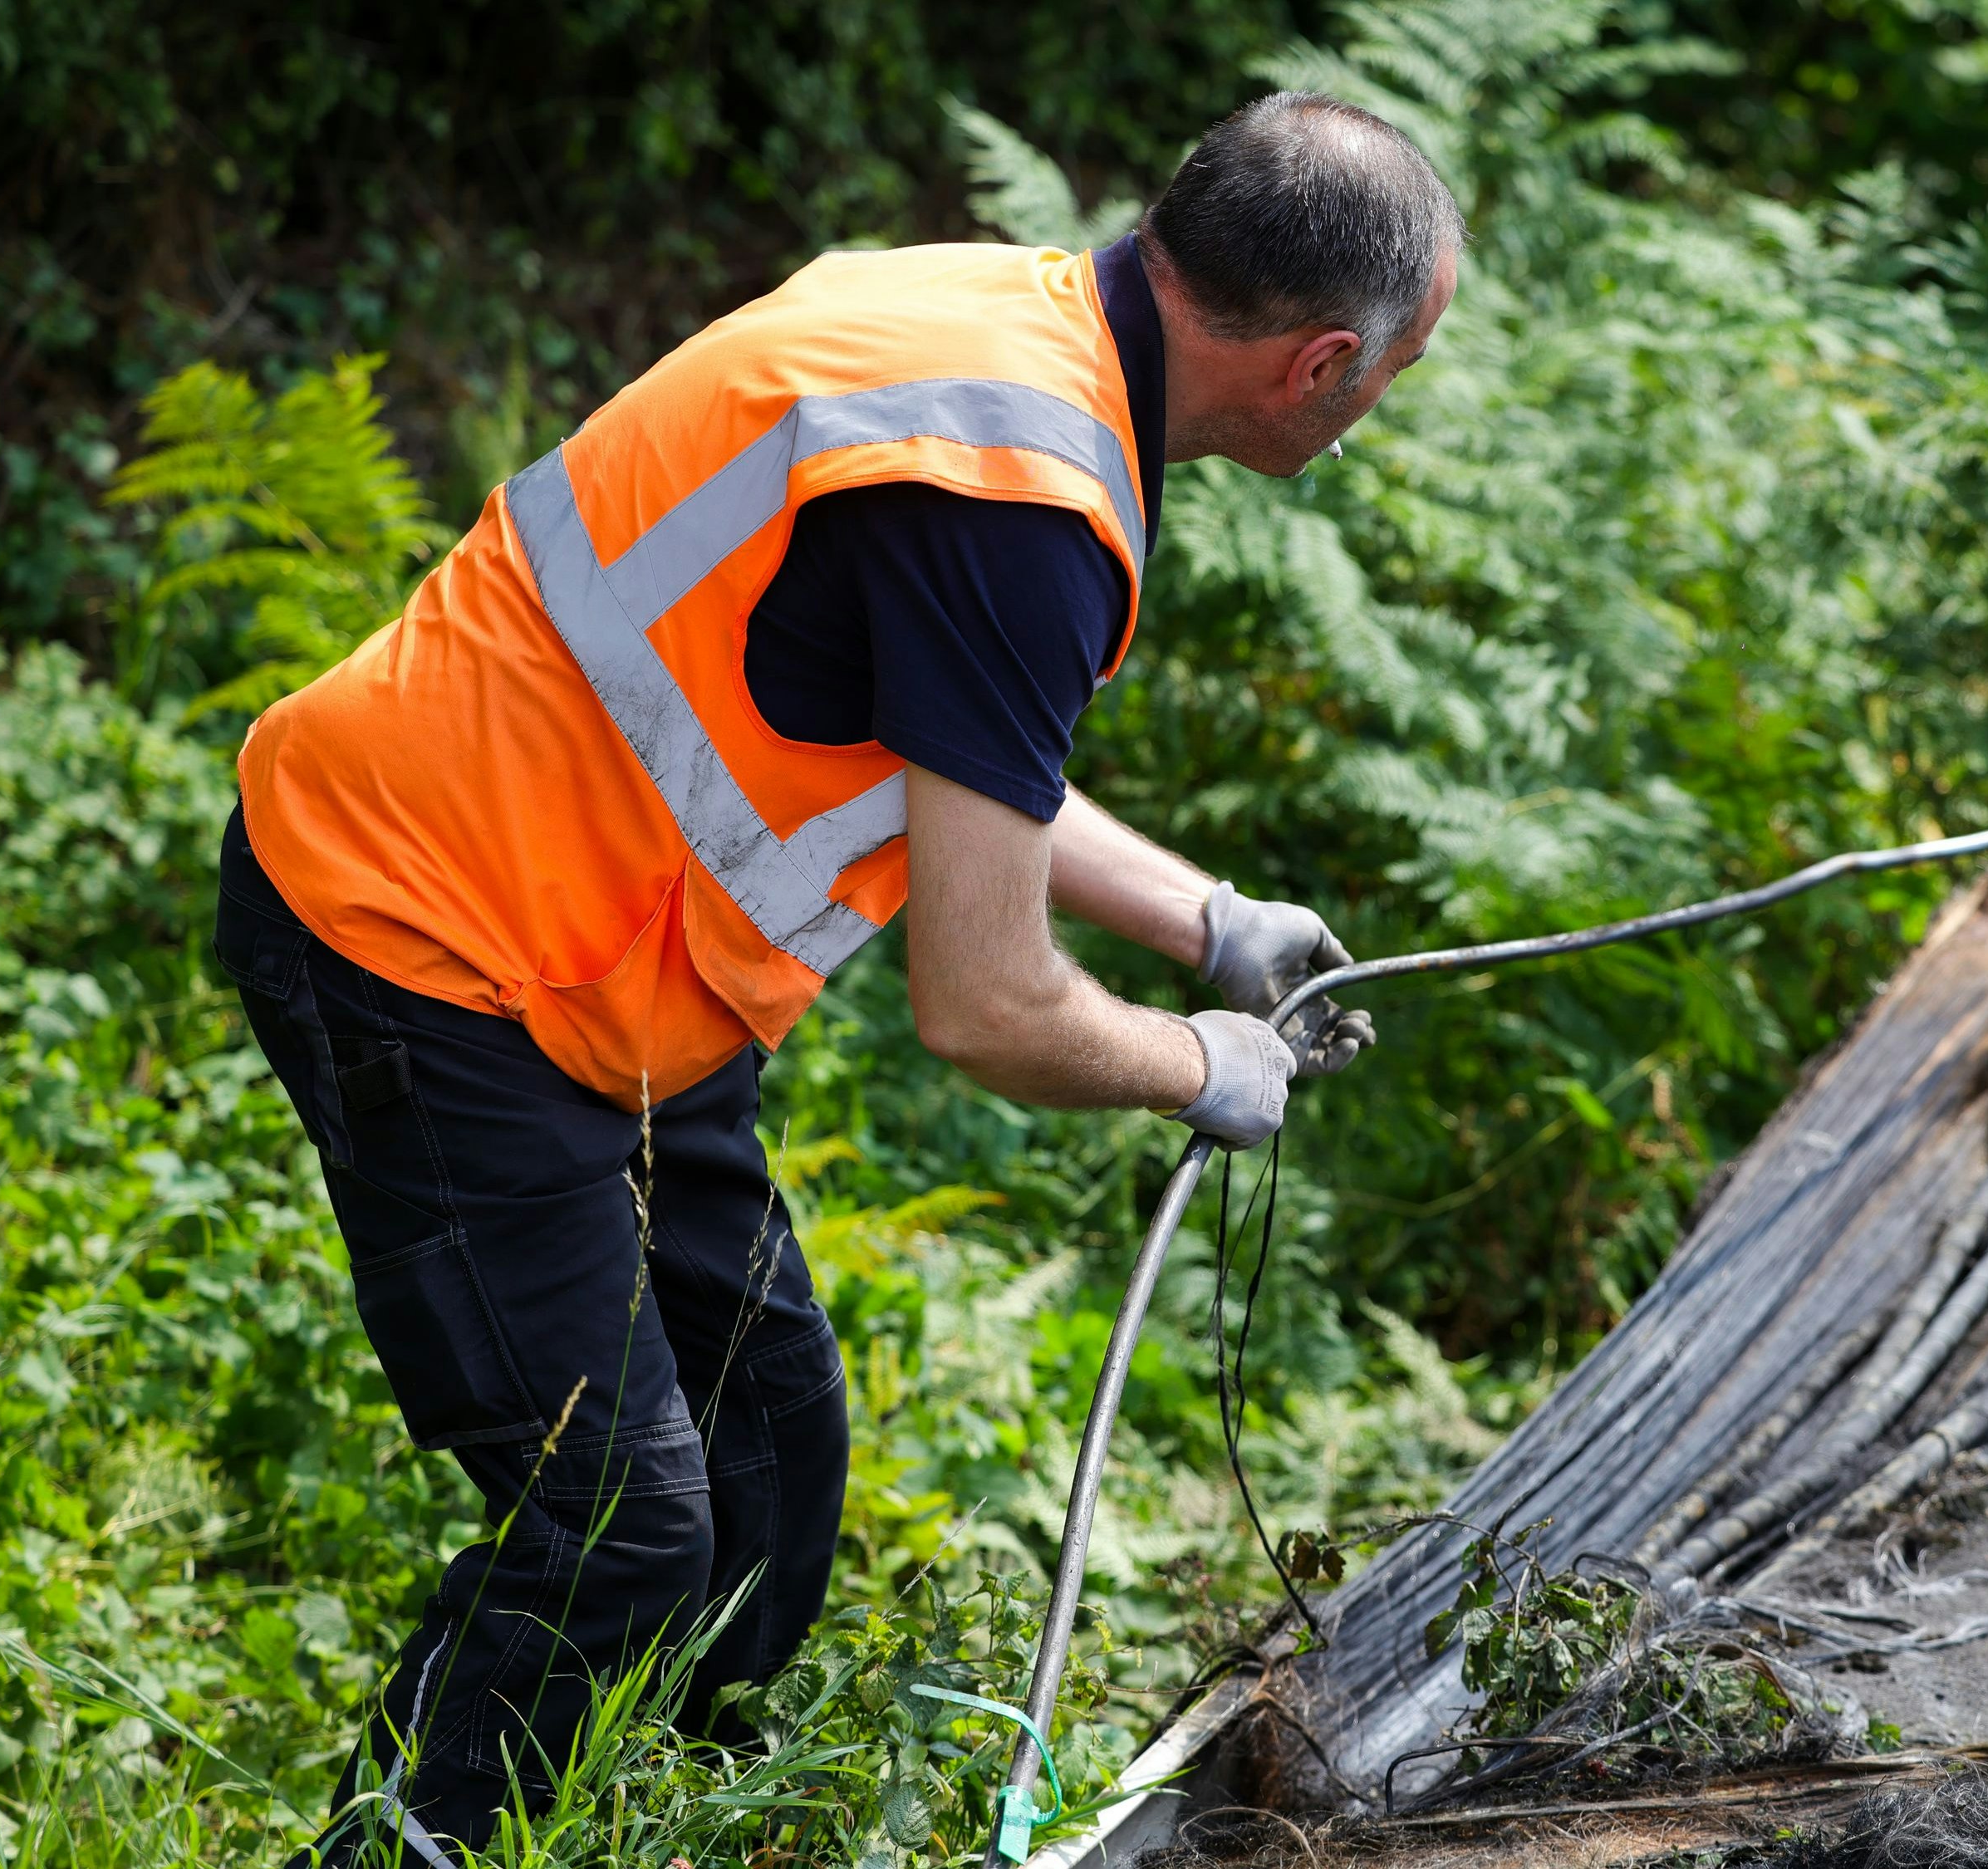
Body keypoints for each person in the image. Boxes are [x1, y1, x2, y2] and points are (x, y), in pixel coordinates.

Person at [216, 92, 1457, 1854]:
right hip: (424, 941)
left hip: (596, 958)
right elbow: (984, 1006)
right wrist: (1197, 1063)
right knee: (623, 1535)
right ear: (1324, 361)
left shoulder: (1002, 327)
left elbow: (953, 739)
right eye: (1395, 376)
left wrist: (1202, 916)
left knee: (767, 1464)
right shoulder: (1021, 502)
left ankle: (635, 1811)